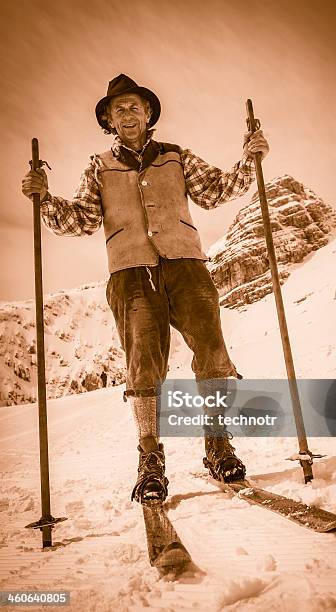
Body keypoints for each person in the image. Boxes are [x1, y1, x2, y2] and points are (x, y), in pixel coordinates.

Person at [22, 74, 270, 504]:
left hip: (187, 265)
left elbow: (216, 192)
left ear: (149, 112)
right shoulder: (98, 166)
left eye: (134, 106)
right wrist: (45, 199)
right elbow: (81, 219)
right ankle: (150, 457)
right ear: (108, 121)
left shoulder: (177, 156)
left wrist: (251, 158)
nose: (127, 113)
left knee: (212, 353)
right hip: (131, 272)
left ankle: (217, 444)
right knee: (143, 366)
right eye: (118, 109)